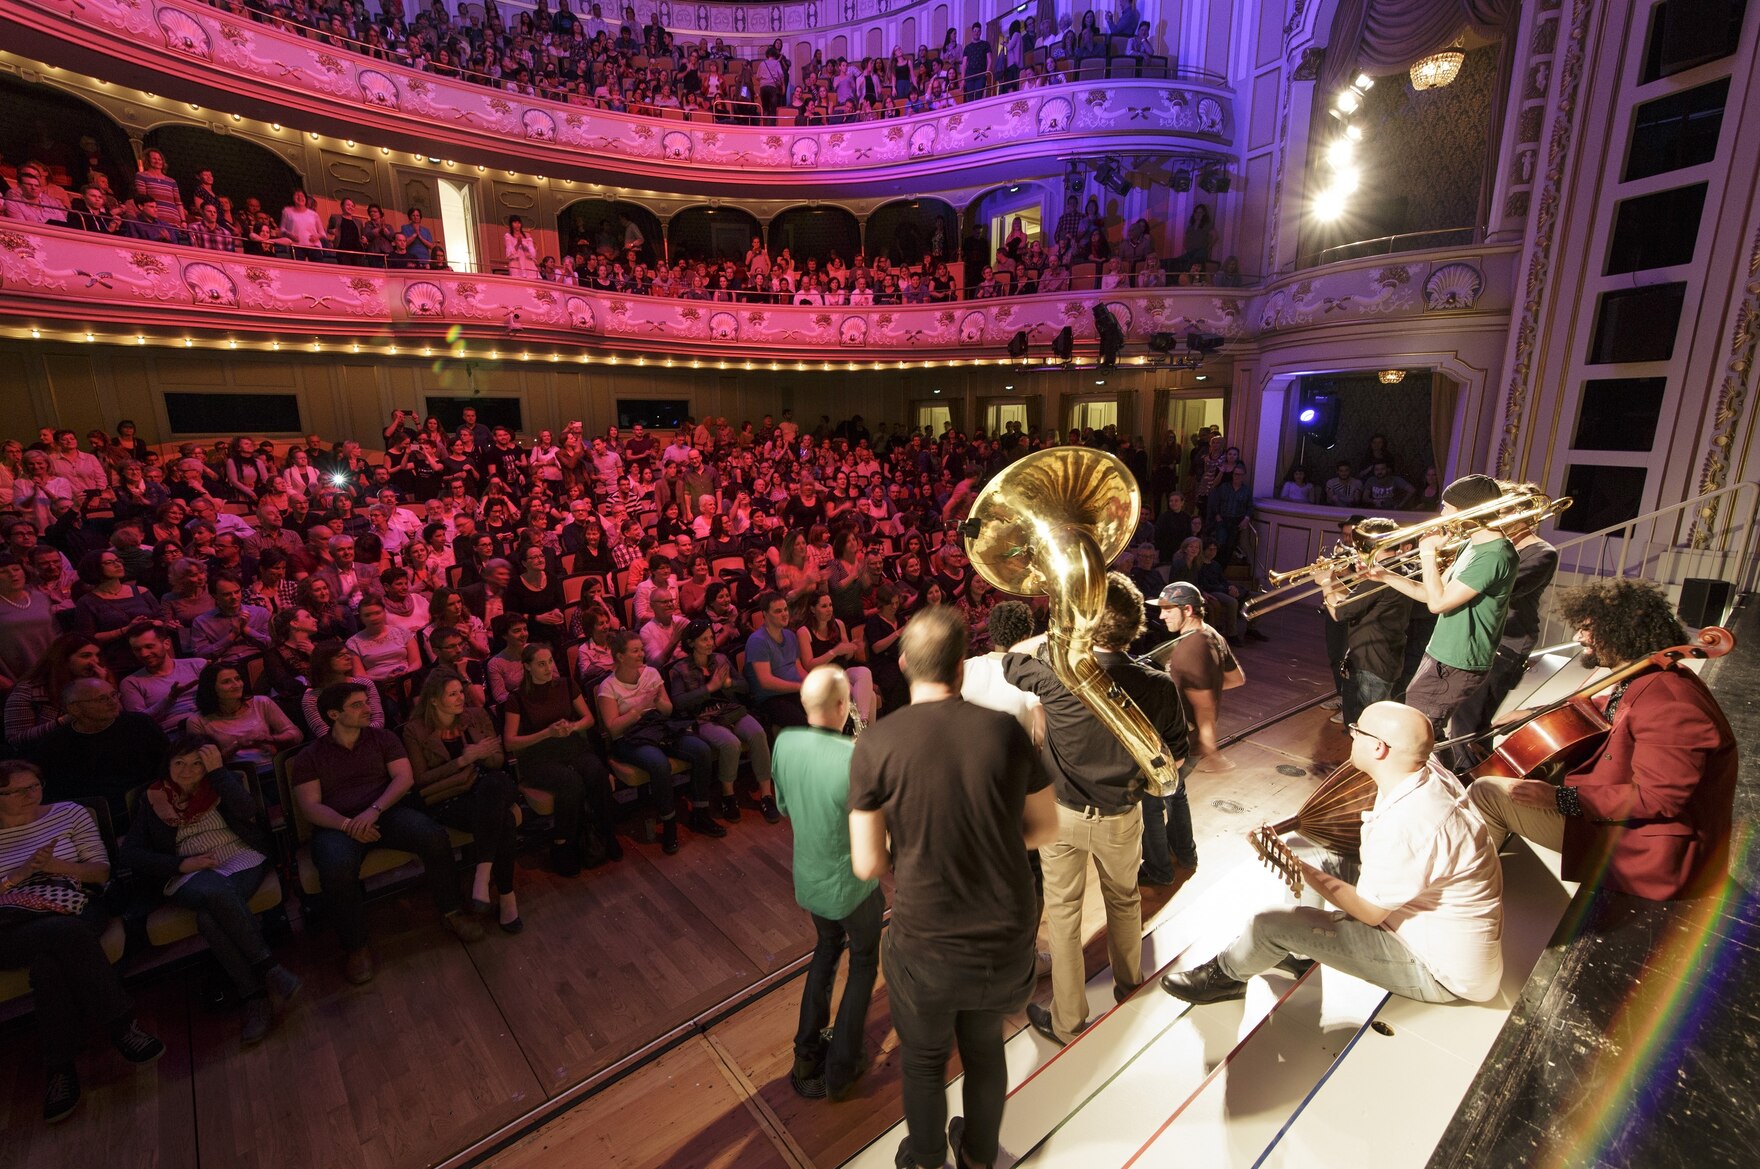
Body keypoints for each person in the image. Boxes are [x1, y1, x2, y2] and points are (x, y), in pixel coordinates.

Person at [848, 606, 1057, 1169]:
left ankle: (924, 1159)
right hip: (1003, 930)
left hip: (928, 936)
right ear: (961, 668)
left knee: (922, 1061)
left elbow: (868, 864)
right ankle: (980, 1156)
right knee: (985, 1047)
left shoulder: (876, 744)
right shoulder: (1005, 732)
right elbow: (1043, 829)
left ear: (901, 665)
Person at [1161, 701, 1505, 1005]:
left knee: (1267, 923)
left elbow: (1370, 912)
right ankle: (1298, 952)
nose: (1350, 734)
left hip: (1437, 969)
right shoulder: (1425, 773)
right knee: (1318, 858)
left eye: (1357, 730)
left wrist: (1295, 865)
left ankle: (1226, 978)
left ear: (1379, 748)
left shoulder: (1410, 822)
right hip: (1434, 930)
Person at [1003, 573, 1188, 1047]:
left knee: (1063, 917)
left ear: (1082, 622)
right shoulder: (1159, 685)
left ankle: (1067, 1022)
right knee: (1124, 900)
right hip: (1122, 817)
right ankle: (1129, 988)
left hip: (1061, 815)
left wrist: (1060, 630)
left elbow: (1010, 661)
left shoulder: (1056, 678)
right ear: (1136, 627)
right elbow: (1176, 759)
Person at [1466, 580, 1737, 901]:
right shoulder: (1646, 676)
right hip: (1638, 825)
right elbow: (1610, 713)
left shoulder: (1670, 703)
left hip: (1658, 851)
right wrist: (1534, 713)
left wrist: (1558, 798)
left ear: (1619, 631)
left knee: (1488, 792)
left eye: (1586, 629)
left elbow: (1659, 800)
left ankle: (1468, 892)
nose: (1578, 637)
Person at [0, 759, 166, 1123]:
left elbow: (101, 872)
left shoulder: (70, 813)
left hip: (73, 900)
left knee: (49, 966)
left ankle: (60, 1069)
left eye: (35, 786)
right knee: (61, 935)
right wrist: (22, 872)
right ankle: (122, 1026)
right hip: (10, 924)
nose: (31, 795)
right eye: (17, 790)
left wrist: (56, 868)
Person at [290, 682, 484, 986]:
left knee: (431, 835)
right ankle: (356, 946)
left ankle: (452, 911)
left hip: (385, 811)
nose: (368, 709)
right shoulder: (310, 757)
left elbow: (403, 779)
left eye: (366, 702)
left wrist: (374, 811)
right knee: (335, 868)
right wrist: (347, 825)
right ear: (333, 714)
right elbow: (310, 807)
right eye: (357, 705)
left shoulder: (382, 738)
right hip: (338, 825)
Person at [118, 737, 301, 1045]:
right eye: (180, 763)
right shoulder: (152, 799)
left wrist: (218, 773)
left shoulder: (219, 782)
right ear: (168, 765)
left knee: (209, 918)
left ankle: (254, 996)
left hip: (241, 856)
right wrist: (181, 864)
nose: (188, 770)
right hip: (188, 871)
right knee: (213, 889)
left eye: (197, 763)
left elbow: (248, 809)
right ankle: (268, 967)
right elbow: (131, 853)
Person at [772, 665, 882, 1101]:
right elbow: (873, 830)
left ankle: (806, 1052)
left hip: (810, 877)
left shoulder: (783, 742)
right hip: (852, 883)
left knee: (825, 952)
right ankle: (842, 1067)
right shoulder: (854, 758)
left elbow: (783, 805)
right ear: (842, 707)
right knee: (863, 962)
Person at [1362, 475, 1517, 762]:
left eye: (1447, 507)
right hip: (1442, 652)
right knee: (1425, 730)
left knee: (1415, 734)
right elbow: (1428, 593)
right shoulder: (1471, 546)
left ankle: (1430, 792)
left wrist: (1427, 553)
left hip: (1459, 661)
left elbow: (1438, 604)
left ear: (1468, 510)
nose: (1442, 514)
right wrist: (1385, 575)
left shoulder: (1496, 554)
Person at [402, 670, 524, 933]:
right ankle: (506, 896)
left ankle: (483, 872)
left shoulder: (476, 716)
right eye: (453, 694)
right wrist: (464, 759)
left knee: (496, 782)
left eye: (461, 691)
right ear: (433, 700)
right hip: (449, 796)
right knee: (503, 819)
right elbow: (422, 779)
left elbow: (497, 761)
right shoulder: (415, 730)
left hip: (486, 787)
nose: (461, 698)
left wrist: (481, 753)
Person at [1139, 582, 1242, 887]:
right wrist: (1197, 684)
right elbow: (1236, 679)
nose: (1162, 615)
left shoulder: (1189, 650)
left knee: (1151, 802)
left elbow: (1205, 704)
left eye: (1168, 609)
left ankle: (1159, 869)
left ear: (1187, 610)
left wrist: (1211, 747)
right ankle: (1185, 853)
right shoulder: (1211, 635)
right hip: (1189, 743)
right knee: (1176, 793)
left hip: (1179, 743)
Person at [1449, 487, 1559, 767]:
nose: (1498, 516)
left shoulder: (1542, 552)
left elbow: (1504, 589)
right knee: (1460, 719)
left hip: (1507, 644)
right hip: (1477, 639)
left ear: (1527, 513)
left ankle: (1473, 784)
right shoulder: (1494, 547)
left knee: (1470, 723)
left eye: (1506, 510)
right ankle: (1464, 777)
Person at [595, 631, 722, 855]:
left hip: (657, 726)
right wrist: (637, 710)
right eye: (635, 651)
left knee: (701, 749)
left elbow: (668, 709)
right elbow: (613, 727)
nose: (641, 654)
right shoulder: (609, 686)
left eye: (641, 649)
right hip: (629, 736)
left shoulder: (651, 673)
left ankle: (700, 813)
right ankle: (669, 822)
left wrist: (657, 701)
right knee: (659, 763)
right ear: (620, 656)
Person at [502, 643, 620, 875]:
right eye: (541, 664)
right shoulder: (516, 698)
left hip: (570, 745)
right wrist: (547, 733)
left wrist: (572, 726)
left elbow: (588, 719)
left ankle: (606, 833)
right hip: (539, 755)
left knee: (597, 772)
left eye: (550, 662)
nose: (548, 668)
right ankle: (563, 844)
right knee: (571, 784)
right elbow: (510, 742)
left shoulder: (566, 684)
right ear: (527, 667)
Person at [666, 620, 780, 824]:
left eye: (711, 638)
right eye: (704, 640)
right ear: (691, 643)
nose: (710, 643)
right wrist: (709, 688)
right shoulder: (679, 669)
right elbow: (678, 703)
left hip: (730, 710)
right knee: (731, 743)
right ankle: (728, 795)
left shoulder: (720, 659)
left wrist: (729, 684)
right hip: (704, 717)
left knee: (758, 733)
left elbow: (745, 686)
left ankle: (766, 793)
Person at [1318, 518, 1411, 727]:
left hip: (1370, 665)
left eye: (1360, 544)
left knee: (1362, 727)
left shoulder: (1380, 576)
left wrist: (1325, 583)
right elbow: (1353, 603)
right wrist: (1333, 579)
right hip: (1383, 659)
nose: (1357, 550)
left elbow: (1340, 613)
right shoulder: (1395, 570)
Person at [184, 661, 302, 771]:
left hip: (271, 768)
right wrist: (237, 745)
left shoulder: (261, 703)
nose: (236, 685)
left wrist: (271, 739)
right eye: (226, 682)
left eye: (237, 679)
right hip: (234, 776)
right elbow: (201, 765)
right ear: (211, 688)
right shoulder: (196, 721)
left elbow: (297, 735)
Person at [744, 591, 808, 727]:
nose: (784, 614)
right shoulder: (758, 641)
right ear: (765, 615)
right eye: (778, 611)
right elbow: (766, 681)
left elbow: (798, 668)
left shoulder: (790, 635)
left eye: (785, 609)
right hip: (771, 698)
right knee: (802, 724)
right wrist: (799, 687)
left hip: (794, 691)